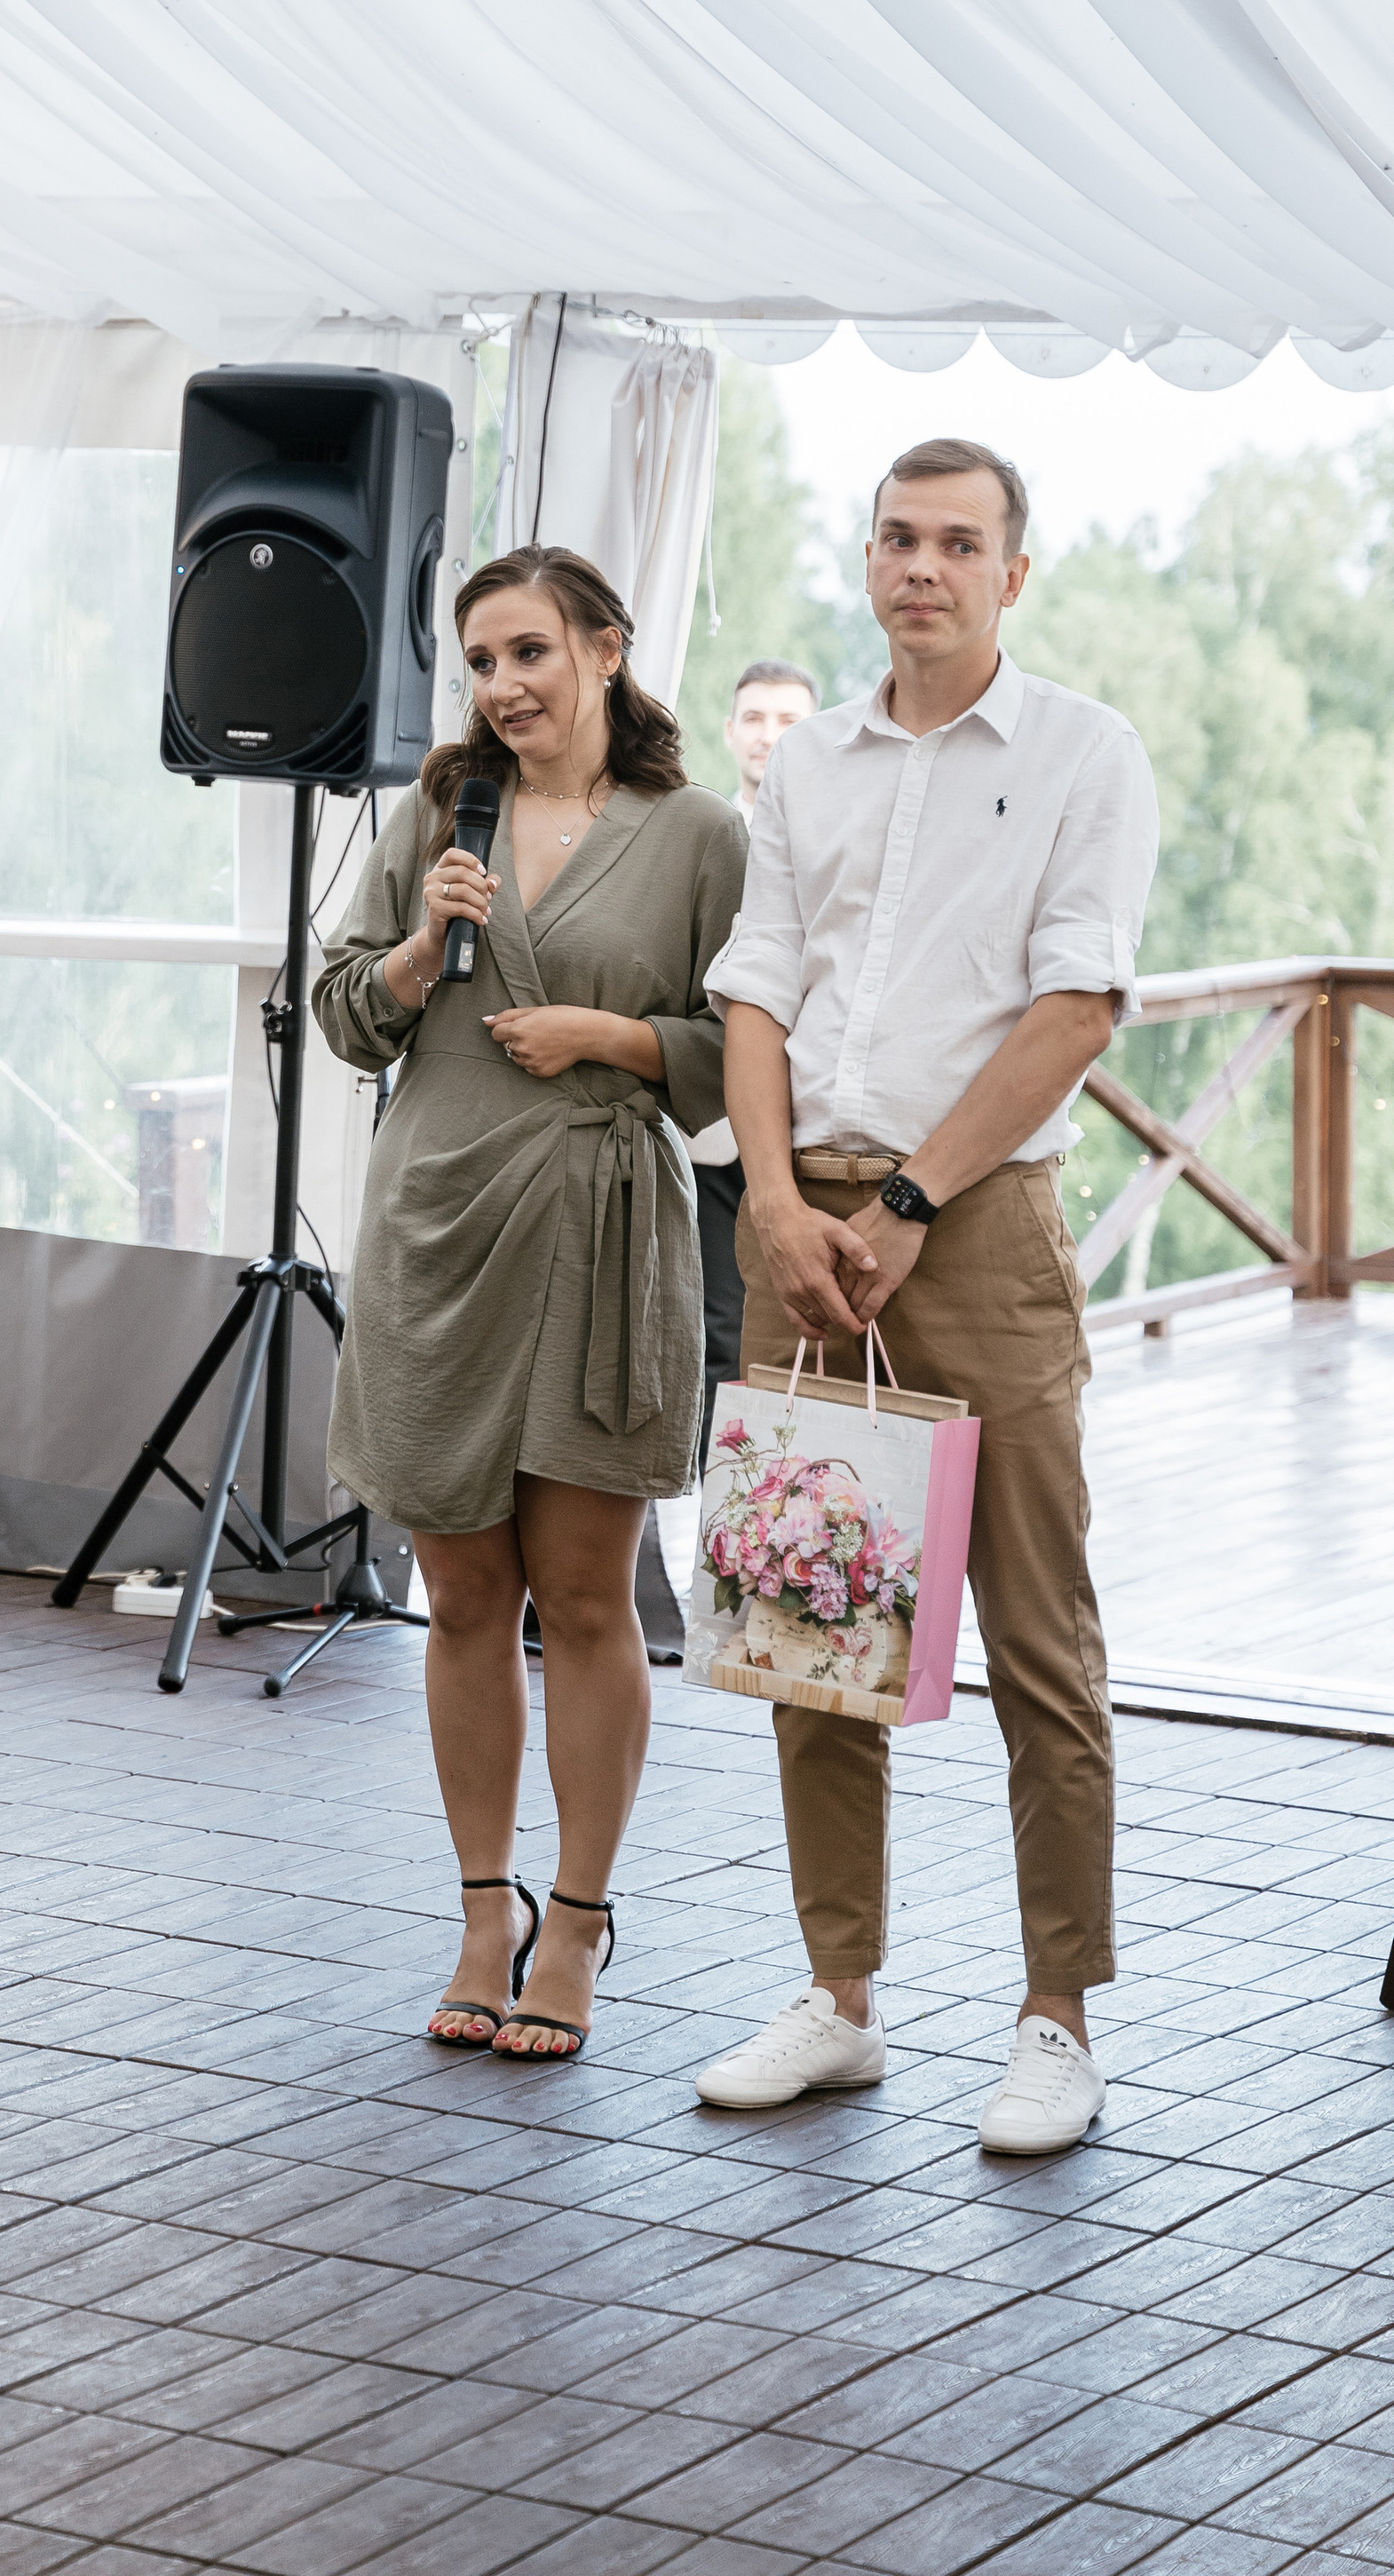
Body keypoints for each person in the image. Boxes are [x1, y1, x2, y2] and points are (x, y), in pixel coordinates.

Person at [700, 439, 1157, 2156]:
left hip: (973, 1232)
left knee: (1042, 1642)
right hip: (803, 1233)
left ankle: (1057, 2018)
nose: (924, 568)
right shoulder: (803, 763)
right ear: (869, 554)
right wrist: (765, 1199)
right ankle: (841, 2001)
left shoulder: (1081, 755)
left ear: (1012, 577)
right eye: (899, 536)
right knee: (813, 1631)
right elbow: (753, 990)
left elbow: (1075, 1010)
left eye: (962, 544)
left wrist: (905, 1202)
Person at [314, 547, 748, 2062]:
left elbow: (743, 1049)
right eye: (480, 661)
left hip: (601, 1229)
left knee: (582, 1594)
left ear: (607, 652)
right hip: (438, 1224)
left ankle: (580, 1914)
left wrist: (615, 1038)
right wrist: (427, 946)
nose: (502, 687)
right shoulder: (437, 813)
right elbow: (341, 1011)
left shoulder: (700, 835)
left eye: (528, 654)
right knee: (466, 1598)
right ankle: (481, 1906)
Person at [684, 663, 819, 1406]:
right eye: (757, 719)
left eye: (790, 721)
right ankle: (721, 1511)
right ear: (731, 732)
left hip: (809, 1118)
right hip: (713, 1121)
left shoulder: (831, 836)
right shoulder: (701, 835)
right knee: (718, 1326)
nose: (770, 735)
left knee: (794, 1329)